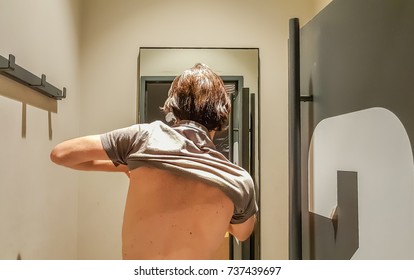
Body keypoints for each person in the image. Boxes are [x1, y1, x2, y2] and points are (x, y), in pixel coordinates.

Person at [50, 63, 258, 260]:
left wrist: (129, 165)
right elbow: (242, 233)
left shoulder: (144, 137)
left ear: (174, 107)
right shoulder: (238, 180)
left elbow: (62, 154)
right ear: (221, 115)